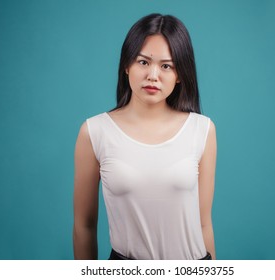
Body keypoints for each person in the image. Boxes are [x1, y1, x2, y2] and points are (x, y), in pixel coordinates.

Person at [73, 13, 217, 260]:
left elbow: (204, 223)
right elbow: (84, 225)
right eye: (143, 62)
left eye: (166, 66)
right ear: (126, 65)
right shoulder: (95, 132)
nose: (153, 75)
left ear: (180, 74)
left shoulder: (202, 130)